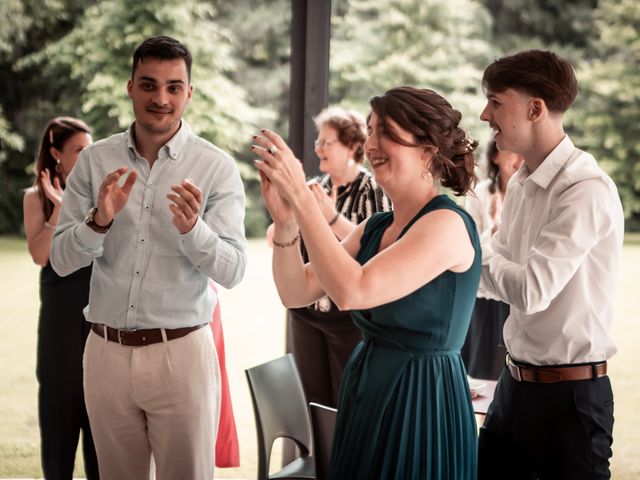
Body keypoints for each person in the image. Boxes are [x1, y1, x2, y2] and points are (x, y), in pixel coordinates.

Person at [253, 86, 481, 479]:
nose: (371, 144)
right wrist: (288, 221)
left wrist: (305, 202)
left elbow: (352, 290)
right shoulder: (375, 226)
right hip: (366, 389)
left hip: (422, 399)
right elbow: (295, 292)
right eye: (371, 130)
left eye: (386, 133)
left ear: (427, 151)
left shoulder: (448, 224)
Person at [50, 36, 247, 479]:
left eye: (174, 87)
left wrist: (193, 231)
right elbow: (60, 261)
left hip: (181, 356)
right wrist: (98, 221)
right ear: (130, 87)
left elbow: (234, 271)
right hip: (105, 354)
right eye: (149, 85)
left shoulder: (217, 168)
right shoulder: (95, 161)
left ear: (189, 93)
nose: (161, 98)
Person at [477, 50, 624, 479]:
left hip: (572, 402)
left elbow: (531, 290)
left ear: (535, 108)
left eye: (496, 101)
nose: (486, 114)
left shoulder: (585, 190)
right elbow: (493, 273)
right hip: (512, 391)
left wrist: (464, 245)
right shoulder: (522, 183)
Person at [283, 106, 390, 407]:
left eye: (326, 142)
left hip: (348, 317)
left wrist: (330, 217)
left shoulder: (373, 188)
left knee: (347, 399)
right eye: (318, 141)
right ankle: (317, 455)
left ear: (353, 146)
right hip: (307, 312)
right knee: (309, 399)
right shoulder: (316, 187)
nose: (318, 148)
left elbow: (374, 246)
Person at [23, 117, 99, 480]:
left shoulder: (101, 196)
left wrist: (71, 203)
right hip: (59, 323)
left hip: (98, 315)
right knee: (58, 425)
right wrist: (60, 211)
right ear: (56, 154)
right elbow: (40, 254)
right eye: (79, 150)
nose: (88, 157)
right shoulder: (34, 198)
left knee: (100, 431)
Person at [461, 140, 522, 379]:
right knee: (482, 371)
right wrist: (494, 231)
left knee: (509, 371)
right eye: (511, 151)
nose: (518, 159)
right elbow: (470, 244)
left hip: (516, 293)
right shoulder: (480, 194)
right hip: (486, 295)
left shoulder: (529, 192)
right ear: (496, 157)